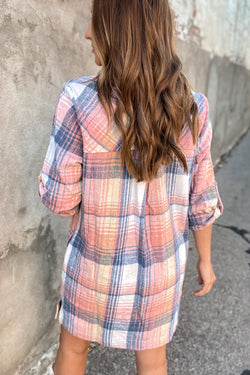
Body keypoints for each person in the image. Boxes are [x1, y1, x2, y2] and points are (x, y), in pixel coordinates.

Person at [38, 1, 223, 374]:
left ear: (118, 32)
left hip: (92, 266)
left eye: (96, 23)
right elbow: (202, 200)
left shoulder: (77, 100)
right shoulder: (193, 110)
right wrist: (205, 259)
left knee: (73, 349)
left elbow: (60, 200)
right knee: (153, 361)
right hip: (161, 272)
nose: (88, 34)